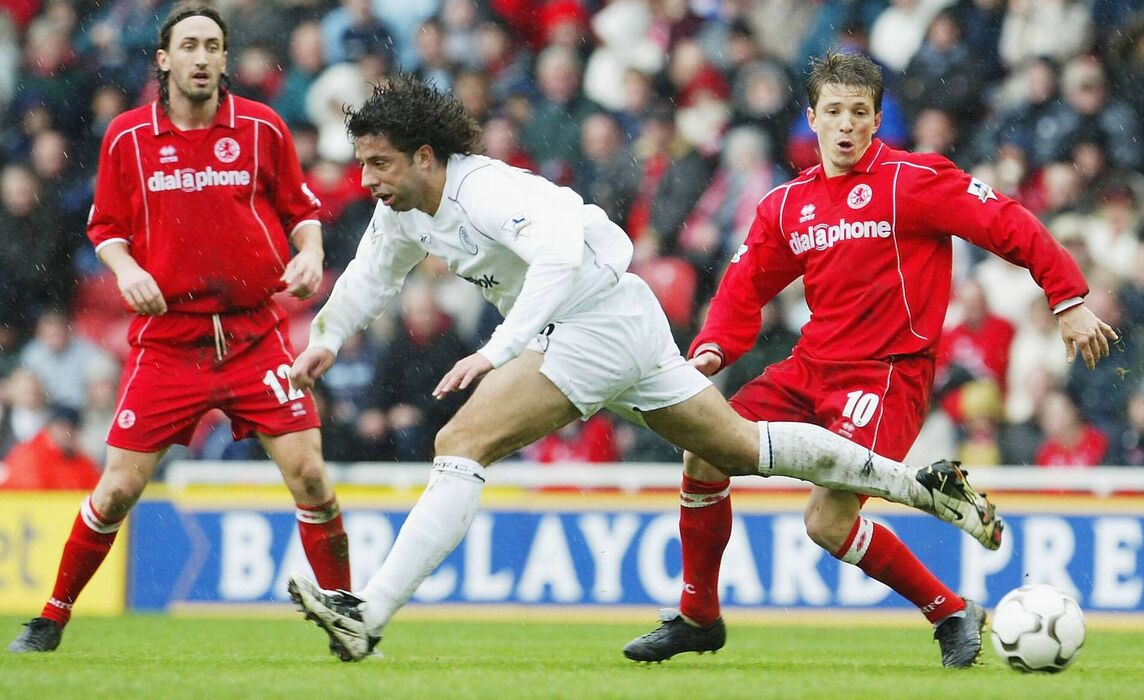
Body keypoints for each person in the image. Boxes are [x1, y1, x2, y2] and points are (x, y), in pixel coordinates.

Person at [284, 74, 1001, 663]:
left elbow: (559, 255)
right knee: (734, 448)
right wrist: (328, 338)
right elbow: (372, 274)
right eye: (363, 164)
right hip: (619, 319)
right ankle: (919, 488)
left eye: (379, 163)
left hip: (593, 320)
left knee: (460, 442)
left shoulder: (487, 191)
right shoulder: (405, 210)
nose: (367, 179)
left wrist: (497, 351)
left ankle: (368, 615)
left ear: (424, 156)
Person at [621, 52, 1116, 669]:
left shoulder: (913, 180)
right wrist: (713, 349)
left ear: (878, 119)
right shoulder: (788, 204)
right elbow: (744, 285)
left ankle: (948, 610)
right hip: (809, 368)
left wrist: (1066, 297)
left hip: (887, 377)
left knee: (826, 522)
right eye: (834, 112)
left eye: (859, 112)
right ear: (812, 118)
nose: (846, 125)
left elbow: (1004, 220)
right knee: (703, 448)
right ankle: (699, 616)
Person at [8, 3, 351, 654]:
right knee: (117, 489)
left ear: (224, 60)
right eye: (189, 45)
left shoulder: (262, 127)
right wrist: (126, 267)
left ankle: (346, 619)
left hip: (254, 336)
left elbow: (301, 210)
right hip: (170, 342)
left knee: (310, 476)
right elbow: (106, 227)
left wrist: (309, 253)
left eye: (212, 46)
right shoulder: (128, 137)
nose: (201, 56)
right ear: (164, 59)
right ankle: (51, 617)